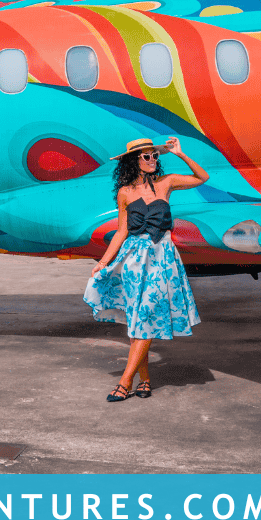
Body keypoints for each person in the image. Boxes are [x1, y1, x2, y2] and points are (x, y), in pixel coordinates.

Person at [83, 135, 209, 401]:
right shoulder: (125, 193)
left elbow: (202, 177)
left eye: (155, 155)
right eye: (147, 156)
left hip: (163, 258)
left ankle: (125, 381)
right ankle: (146, 380)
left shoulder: (167, 182)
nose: (153, 160)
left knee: (146, 316)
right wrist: (103, 263)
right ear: (134, 161)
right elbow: (120, 232)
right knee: (138, 322)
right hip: (133, 260)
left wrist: (180, 154)